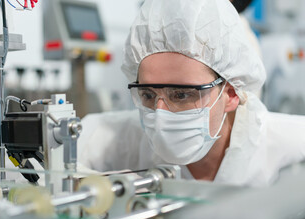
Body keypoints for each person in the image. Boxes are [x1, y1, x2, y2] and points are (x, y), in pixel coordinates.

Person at [78, 0, 305, 186]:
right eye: (147, 94)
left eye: (181, 95)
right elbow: (54, 157)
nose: (160, 115)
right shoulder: (126, 139)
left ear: (232, 93)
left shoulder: (290, 146)